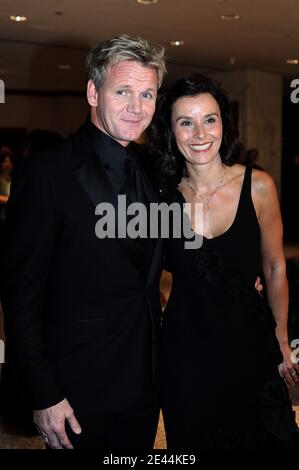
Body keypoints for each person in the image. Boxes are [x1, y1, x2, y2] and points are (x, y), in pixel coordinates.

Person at [0, 35, 166, 449]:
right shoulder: (46, 174)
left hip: (146, 380)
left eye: (147, 94)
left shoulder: (154, 169)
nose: (137, 106)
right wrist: (44, 393)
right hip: (76, 388)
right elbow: (20, 294)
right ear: (93, 92)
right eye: (123, 91)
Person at [149, 74, 299, 448]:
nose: (200, 132)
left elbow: (276, 268)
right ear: (171, 130)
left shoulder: (259, 186)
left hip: (251, 349)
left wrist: (281, 339)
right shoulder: (160, 196)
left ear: (223, 123)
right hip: (185, 355)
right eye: (186, 122)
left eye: (209, 119)